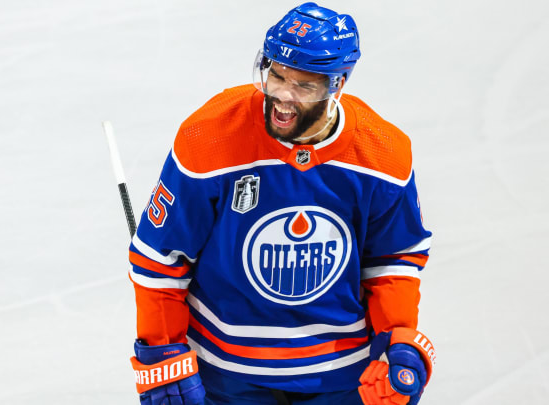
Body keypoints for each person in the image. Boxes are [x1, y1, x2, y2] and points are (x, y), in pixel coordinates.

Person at [128, 3, 436, 404]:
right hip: (226, 373)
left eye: (304, 87)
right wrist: (162, 353)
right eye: (276, 76)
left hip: (342, 373)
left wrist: (398, 342)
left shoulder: (383, 154)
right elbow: (160, 260)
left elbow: (393, 261)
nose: (282, 98)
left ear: (337, 84)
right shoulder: (210, 137)